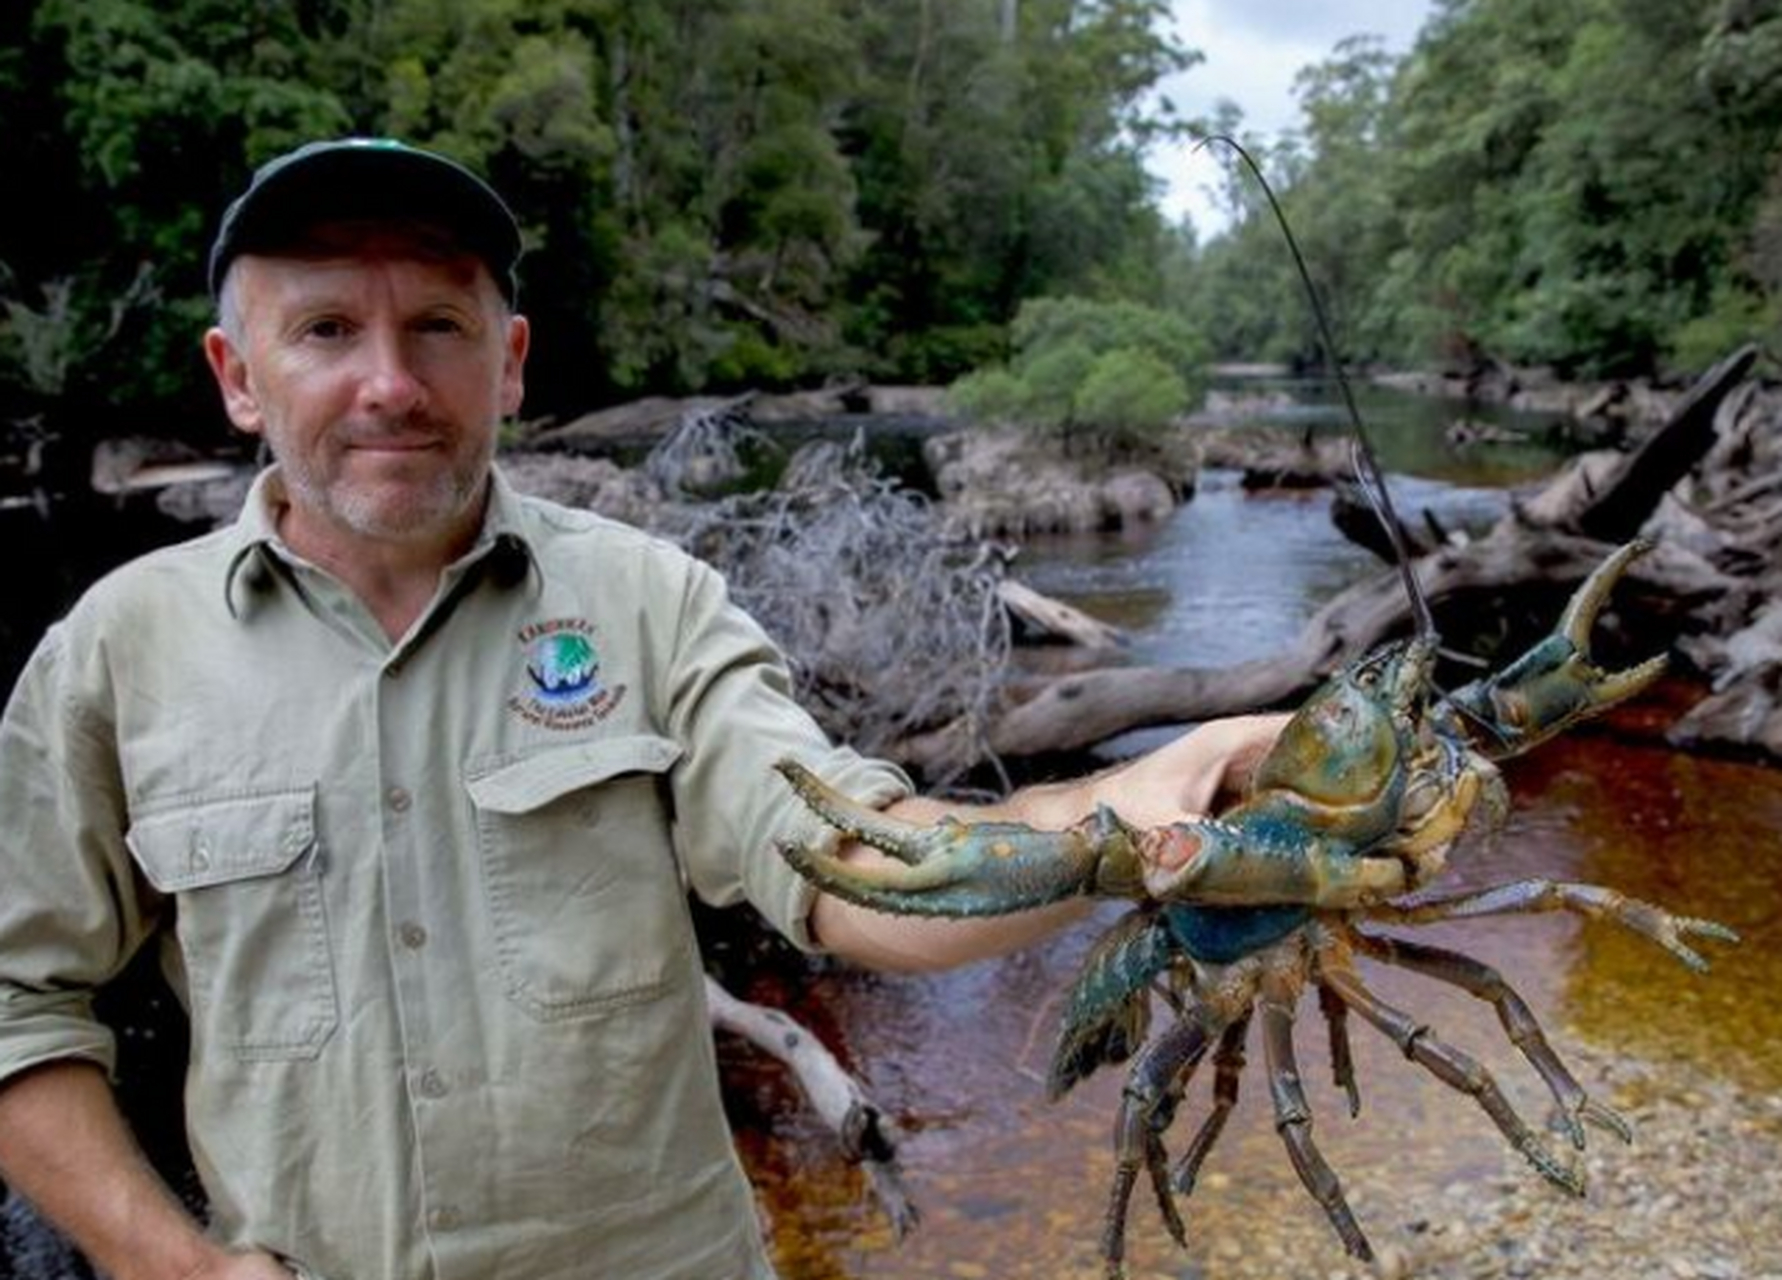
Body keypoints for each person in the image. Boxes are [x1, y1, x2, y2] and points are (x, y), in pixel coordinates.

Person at [0, 138, 1286, 1280]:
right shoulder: (118, 652)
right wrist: (160, 1257)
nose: (389, 382)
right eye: (326, 329)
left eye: (437, 326)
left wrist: (1134, 807)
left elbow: (852, 862)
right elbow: (18, 1001)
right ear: (238, 375)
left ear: (507, 363)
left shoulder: (651, 603)